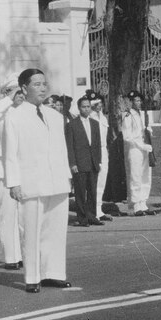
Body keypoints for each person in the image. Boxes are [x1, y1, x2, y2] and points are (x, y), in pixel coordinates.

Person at [2, 68, 72, 293]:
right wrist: (13, 183)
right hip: (31, 182)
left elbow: (61, 151)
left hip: (57, 181)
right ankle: (32, 277)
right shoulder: (14, 115)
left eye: (44, 83)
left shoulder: (55, 116)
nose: (43, 88)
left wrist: (67, 178)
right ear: (24, 88)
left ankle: (53, 273)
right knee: (31, 230)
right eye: (36, 84)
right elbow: (10, 152)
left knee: (56, 229)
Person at [0, 79, 24, 270]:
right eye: (14, 92)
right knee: (7, 215)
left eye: (20, 91)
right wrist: (9, 98)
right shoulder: (0, 112)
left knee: (24, 216)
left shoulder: (26, 110)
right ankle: (11, 257)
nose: (18, 96)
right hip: (4, 170)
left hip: (25, 169)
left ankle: (25, 253)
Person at [65, 95, 103, 227]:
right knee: (81, 193)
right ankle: (82, 218)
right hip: (79, 163)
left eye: (88, 107)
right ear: (79, 108)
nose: (86, 109)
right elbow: (70, 146)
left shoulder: (95, 123)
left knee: (92, 192)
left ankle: (92, 216)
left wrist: (98, 161)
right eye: (83, 107)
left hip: (93, 163)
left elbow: (97, 144)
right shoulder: (72, 125)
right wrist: (73, 164)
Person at [122, 90, 156, 217]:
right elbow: (127, 137)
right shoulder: (127, 115)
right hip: (135, 148)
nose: (138, 103)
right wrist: (141, 145)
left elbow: (146, 129)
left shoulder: (142, 114)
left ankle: (143, 202)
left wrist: (148, 131)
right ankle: (135, 205)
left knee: (145, 175)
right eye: (135, 100)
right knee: (135, 176)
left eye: (139, 100)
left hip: (145, 147)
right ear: (130, 102)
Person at [89, 92, 112, 222]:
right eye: (96, 104)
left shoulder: (103, 118)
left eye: (100, 104)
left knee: (102, 181)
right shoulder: (90, 118)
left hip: (104, 150)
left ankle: (99, 209)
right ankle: (93, 211)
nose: (99, 106)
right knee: (95, 181)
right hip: (95, 150)